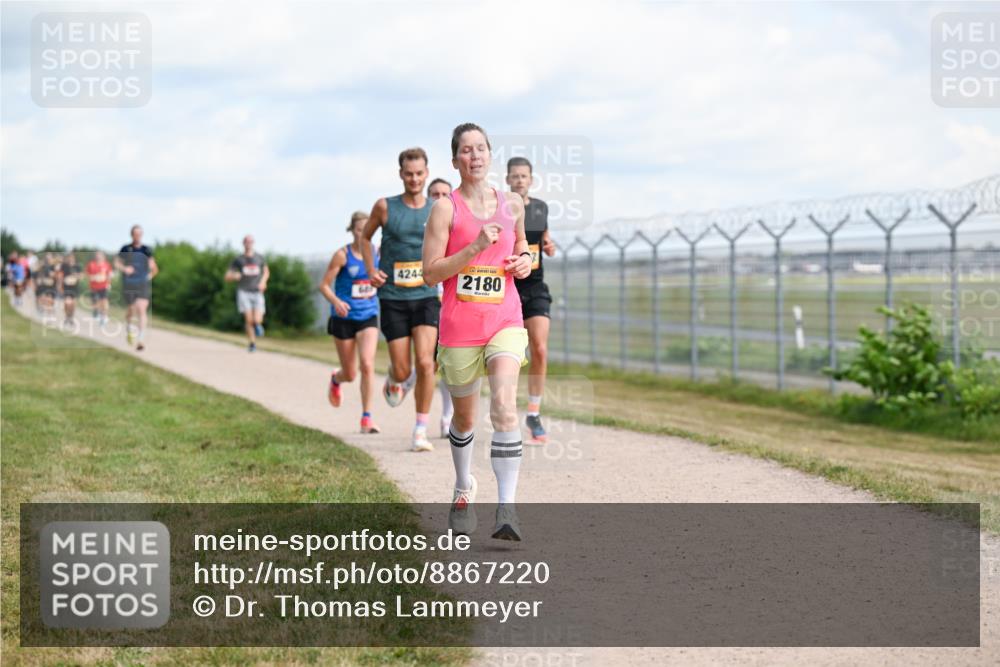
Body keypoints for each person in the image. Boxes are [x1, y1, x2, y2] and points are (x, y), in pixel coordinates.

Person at [423, 122, 532, 541]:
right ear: (455, 161)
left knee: (504, 405)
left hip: (505, 320)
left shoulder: (512, 204)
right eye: (466, 150)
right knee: (465, 419)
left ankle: (507, 509)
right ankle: (463, 485)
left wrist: (524, 260)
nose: (475, 156)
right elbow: (431, 272)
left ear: (490, 154)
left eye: (481, 148)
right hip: (459, 327)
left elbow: (521, 246)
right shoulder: (445, 209)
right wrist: (473, 248)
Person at [360, 147, 439, 452]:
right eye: (409, 174)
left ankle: (420, 430)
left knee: (426, 362)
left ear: (426, 173)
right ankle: (396, 379)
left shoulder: (437, 209)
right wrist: (371, 269)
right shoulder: (385, 206)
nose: (414, 179)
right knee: (404, 369)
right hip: (393, 297)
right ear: (400, 174)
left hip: (426, 295)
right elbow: (365, 238)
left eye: (419, 173)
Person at [507, 157, 556, 443]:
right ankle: (506, 411)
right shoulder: (501, 208)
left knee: (539, 348)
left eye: (524, 176)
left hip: (535, 287)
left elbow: (544, 238)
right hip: (508, 288)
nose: (519, 180)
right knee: (512, 354)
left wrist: (549, 245)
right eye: (515, 176)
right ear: (507, 180)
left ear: (531, 180)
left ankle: (534, 413)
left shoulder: (540, 208)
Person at [319, 211, 382, 434]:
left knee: (367, 364)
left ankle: (366, 418)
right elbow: (324, 285)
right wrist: (336, 301)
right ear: (352, 230)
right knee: (350, 373)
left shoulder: (378, 253)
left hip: (368, 316)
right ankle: (337, 379)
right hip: (344, 317)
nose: (363, 234)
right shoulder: (342, 255)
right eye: (359, 229)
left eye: (367, 230)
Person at [427, 177, 456, 438]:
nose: (439, 198)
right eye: (434, 194)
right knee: (426, 361)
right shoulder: (419, 229)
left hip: (450, 303)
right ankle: (405, 378)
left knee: (446, 363)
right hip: (422, 302)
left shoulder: (457, 226)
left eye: (445, 194)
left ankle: (447, 418)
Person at [116, 225, 158, 351]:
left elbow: (154, 268)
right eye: (135, 234)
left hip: (142, 284)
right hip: (129, 283)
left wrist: (149, 276)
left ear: (142, 235)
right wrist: (125, 268)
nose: (137, 236)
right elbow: (117, 263)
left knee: (141, 309)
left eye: (139, 234)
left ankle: (140, 340)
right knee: (132, 309)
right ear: (132, 235)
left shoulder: (146, 250)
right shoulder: (125, 248)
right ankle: (129, 327)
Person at [225, 235, 269, 352]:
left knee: (257, 319)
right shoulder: (238, 260)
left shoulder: (259, 258)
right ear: (243, 243)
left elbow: (266, 272)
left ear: (253, 243)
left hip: (257, 292)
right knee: (249, 320)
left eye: (250, 241)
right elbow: (227, 276)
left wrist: (263, 282)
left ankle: (258, 325)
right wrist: (234, 276)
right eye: (246, 242)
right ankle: (252, 343)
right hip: (244, 292)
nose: (248, 244)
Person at [86, 250, 113, 324]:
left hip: (103, 286)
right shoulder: (91, 264)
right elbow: (88, 274)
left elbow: (109, 275)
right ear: (95, 256)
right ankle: (96, 312)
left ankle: (104, 316)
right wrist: (93, 277)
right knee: (95, 302)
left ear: (103, 256)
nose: (98, 257)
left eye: (100, 255)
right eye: (97, 255)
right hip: (94, 286)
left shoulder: (107, 265)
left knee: (104, 301)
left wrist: (109, 284)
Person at [59, 251, 83, 327]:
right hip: (66, 287)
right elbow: (60, 276)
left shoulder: (77, 266)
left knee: (73, 304)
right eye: (69, 257)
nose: (70, 259)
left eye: (72, 257)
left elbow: (81, 277)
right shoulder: (64, 266)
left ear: (74, 258)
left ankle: (71, 317)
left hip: (74, 288)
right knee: (67, 303)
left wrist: (76, 275)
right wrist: (60, 286)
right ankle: (67, 317)